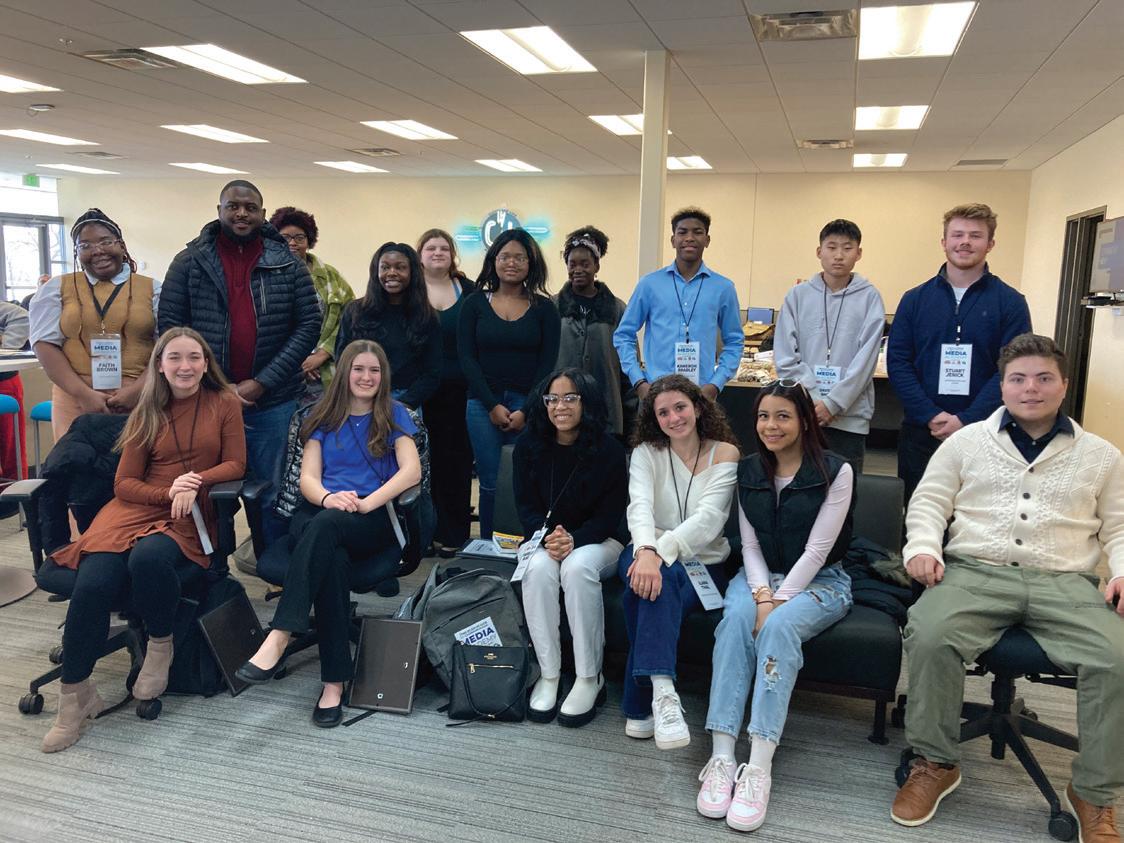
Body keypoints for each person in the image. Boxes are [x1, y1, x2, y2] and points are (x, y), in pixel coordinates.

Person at [890, 334, 1124, 842]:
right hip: (976, 573)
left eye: (1043, 378)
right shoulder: (966, 441)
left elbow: (1120, 525)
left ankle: (1094, 791)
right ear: (1002, 386)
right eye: (1018, 379)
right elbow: (929, 503)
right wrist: (923, 548)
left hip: (1065, 581)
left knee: (1117, 656)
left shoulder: (1102, 455)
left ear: (1064, 385)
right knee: (929, 632)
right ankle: (935, 762)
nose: (1030, 388)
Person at [40, 327, 246, 753]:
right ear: (160, 366)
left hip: (186, 515)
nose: (185, 366)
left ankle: (160, 642)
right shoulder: (147, 410)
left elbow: (236, 464)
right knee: (93, 582)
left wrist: (194, 482)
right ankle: (74, 696)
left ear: (206, 363)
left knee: (149, 559)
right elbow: (124, 483)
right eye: (175, 358)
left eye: (194, 358)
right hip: (135, 508)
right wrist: (167, 492)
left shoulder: (224, 402)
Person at [235, 340, 421, 728]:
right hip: (321, 509)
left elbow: (411, 472)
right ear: (344, 373)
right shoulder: (322, 415)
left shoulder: (395, 414)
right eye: (358, 369)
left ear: (383, 375)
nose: (366, 377)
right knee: (330, 555)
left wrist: (367, 503)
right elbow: (307, 478)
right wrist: (327, 498)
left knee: (326, 530)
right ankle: (333, 683)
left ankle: (281, 632)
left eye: (374, 370)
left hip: (370, 516)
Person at [697, 379, 854, 832]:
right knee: (734, 621)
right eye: (764, 416)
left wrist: (777, 604)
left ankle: (759, 765)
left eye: (783, 416)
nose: (771, 425)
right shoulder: (748, 469)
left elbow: (818, 551)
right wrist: (763, 595)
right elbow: (749, 545)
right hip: (759, 576)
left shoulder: (835, 470)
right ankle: (723, 757)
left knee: (778, 628)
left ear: (804, 420)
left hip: (821, 580)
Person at [159, 180, 320, 547]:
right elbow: (170, 327)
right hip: (205, 400)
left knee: (275, 492)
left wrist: (261, 382)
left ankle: (273, 564)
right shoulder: (189, 261)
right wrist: (215, 384)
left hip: (273, 401)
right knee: (205, 490)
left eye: (250, 207)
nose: (241, 213)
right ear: (219, 211)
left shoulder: (287, 262)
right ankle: (211, 568)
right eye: (233, 206)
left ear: (263, 214)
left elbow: (309, 325)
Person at [620, 374, 739, 749]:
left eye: (680, 407)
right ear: (654, 419)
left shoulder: (725, 453)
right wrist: (645, 550)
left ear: (699, 407)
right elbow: (639, 506)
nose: (673, 418)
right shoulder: (646, 453)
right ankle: (664, 691)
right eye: (663, 413)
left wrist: (658, 552)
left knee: (644, 590)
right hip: (643, 551)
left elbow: (709, 520)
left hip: (704, 562)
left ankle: (639, 705)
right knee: (654, 581)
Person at [887, 203, 1031, 502]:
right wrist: (930, 414)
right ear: (944, 242)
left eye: (975, 236)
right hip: (921, 432)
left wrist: (967, 419)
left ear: (990, 244)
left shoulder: (1011, 302)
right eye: (957, 235)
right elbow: (898, 362)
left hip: (986, 432)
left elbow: (1013, 369)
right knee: (919, 511)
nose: (965, 242)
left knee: (978, 516)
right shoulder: (914, 300)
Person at [514, 367, 628, 727]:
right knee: (536, 569)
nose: (559, 406)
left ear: (587, 402)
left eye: (569, 398)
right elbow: (526, 508)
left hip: (600, 540)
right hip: (545, 538)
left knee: (577, 567)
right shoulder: (528, 446)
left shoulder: (609, 450)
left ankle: (589, 677)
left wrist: (574, 539)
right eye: (552, 398)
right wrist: (550, 537)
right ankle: (549, 674)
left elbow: (610, 516)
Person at [457, 228, 560, 539]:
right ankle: (490, 546)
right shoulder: (474, 304)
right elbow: (467, 358)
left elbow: (547, 365)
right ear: (494, 260)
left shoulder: (544, 308)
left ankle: (525, 547)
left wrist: (527, 409)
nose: (511, 263)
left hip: (528, 405)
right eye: (505, 256)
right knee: (489, 482)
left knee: (523, 480)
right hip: (481, 405)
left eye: (519, 257)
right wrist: (491, 405)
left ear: (531, 263)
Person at [30, 209, 159, 439]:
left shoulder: (154, 289)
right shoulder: (56, 289)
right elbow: (44, 344)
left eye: (105, 242)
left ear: (121, 245)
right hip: (74, 397)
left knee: (135, 460)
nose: (97, 251)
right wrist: (83, 394)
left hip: (139, 396)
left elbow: (165, 346)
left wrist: (138, 389)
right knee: (75, 458)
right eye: (85, 245)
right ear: (76, 252)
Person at [773, 219, 885, 473]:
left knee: (845, 487)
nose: (839, 255)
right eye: (831, 247)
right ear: (819, 251)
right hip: (803, 414)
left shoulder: (870, 297)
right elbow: (785, 355)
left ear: (859, 253)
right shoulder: (797, 296)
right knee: (801, 485)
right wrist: (813, 401)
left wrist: (833, 403)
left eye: (847, 248)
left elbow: (866, 360)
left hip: (850, 419)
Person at [613, 207, 743, 402]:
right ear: (673, 240)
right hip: (655, 394)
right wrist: (639, 382)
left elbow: (734, 341)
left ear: (707, 240)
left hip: (701, 395)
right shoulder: (649, 285)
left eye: (697, 232)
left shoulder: (723, 288)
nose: (689, 238)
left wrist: (716, 384)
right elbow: (623, 335)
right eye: (682, 232)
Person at [418, 228, 474, 556]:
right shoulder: (410, 291)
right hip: (421, 392)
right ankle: (424, 534)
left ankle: (454, 533)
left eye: (443, 248)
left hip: (461, 392)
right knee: (423, 464)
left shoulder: (468, 290)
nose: (437, 252)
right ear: (420, 255)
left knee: (457, 464)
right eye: (431, 248)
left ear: (452, 255)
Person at [336, 242, 440, 411]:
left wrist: (403, 405)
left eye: (400, 267)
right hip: (360, 396)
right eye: (385, 267)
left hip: (405, 401)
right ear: (376, 272)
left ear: (413, 273)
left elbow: (433, 372)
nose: (392, 273)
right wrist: (361, 394)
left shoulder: (426, 317)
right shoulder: (355, 311)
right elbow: (342, 358)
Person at [554, 226, 634, 438]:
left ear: (597, 265)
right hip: (562, 410)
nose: (578, 269)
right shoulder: (553, 307)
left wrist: (632, 415)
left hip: (606, 409)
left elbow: (628, 364)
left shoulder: (617, 309)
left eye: (585, 264)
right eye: (572, 264)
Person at [269, 206, 355, 395]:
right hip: (281, 373)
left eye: (299, 237)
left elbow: (350, 318)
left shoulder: (330, 276)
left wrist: (322, 354)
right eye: (285, 237)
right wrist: (298, 361)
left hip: (327, 374)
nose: (292, 243)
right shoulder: (265, 276)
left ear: (309, 241)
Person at [0, 300, 29, 478]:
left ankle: (17, 492)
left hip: (4, 382)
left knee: (11, 451)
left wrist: (4, 353)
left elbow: (21, 317)